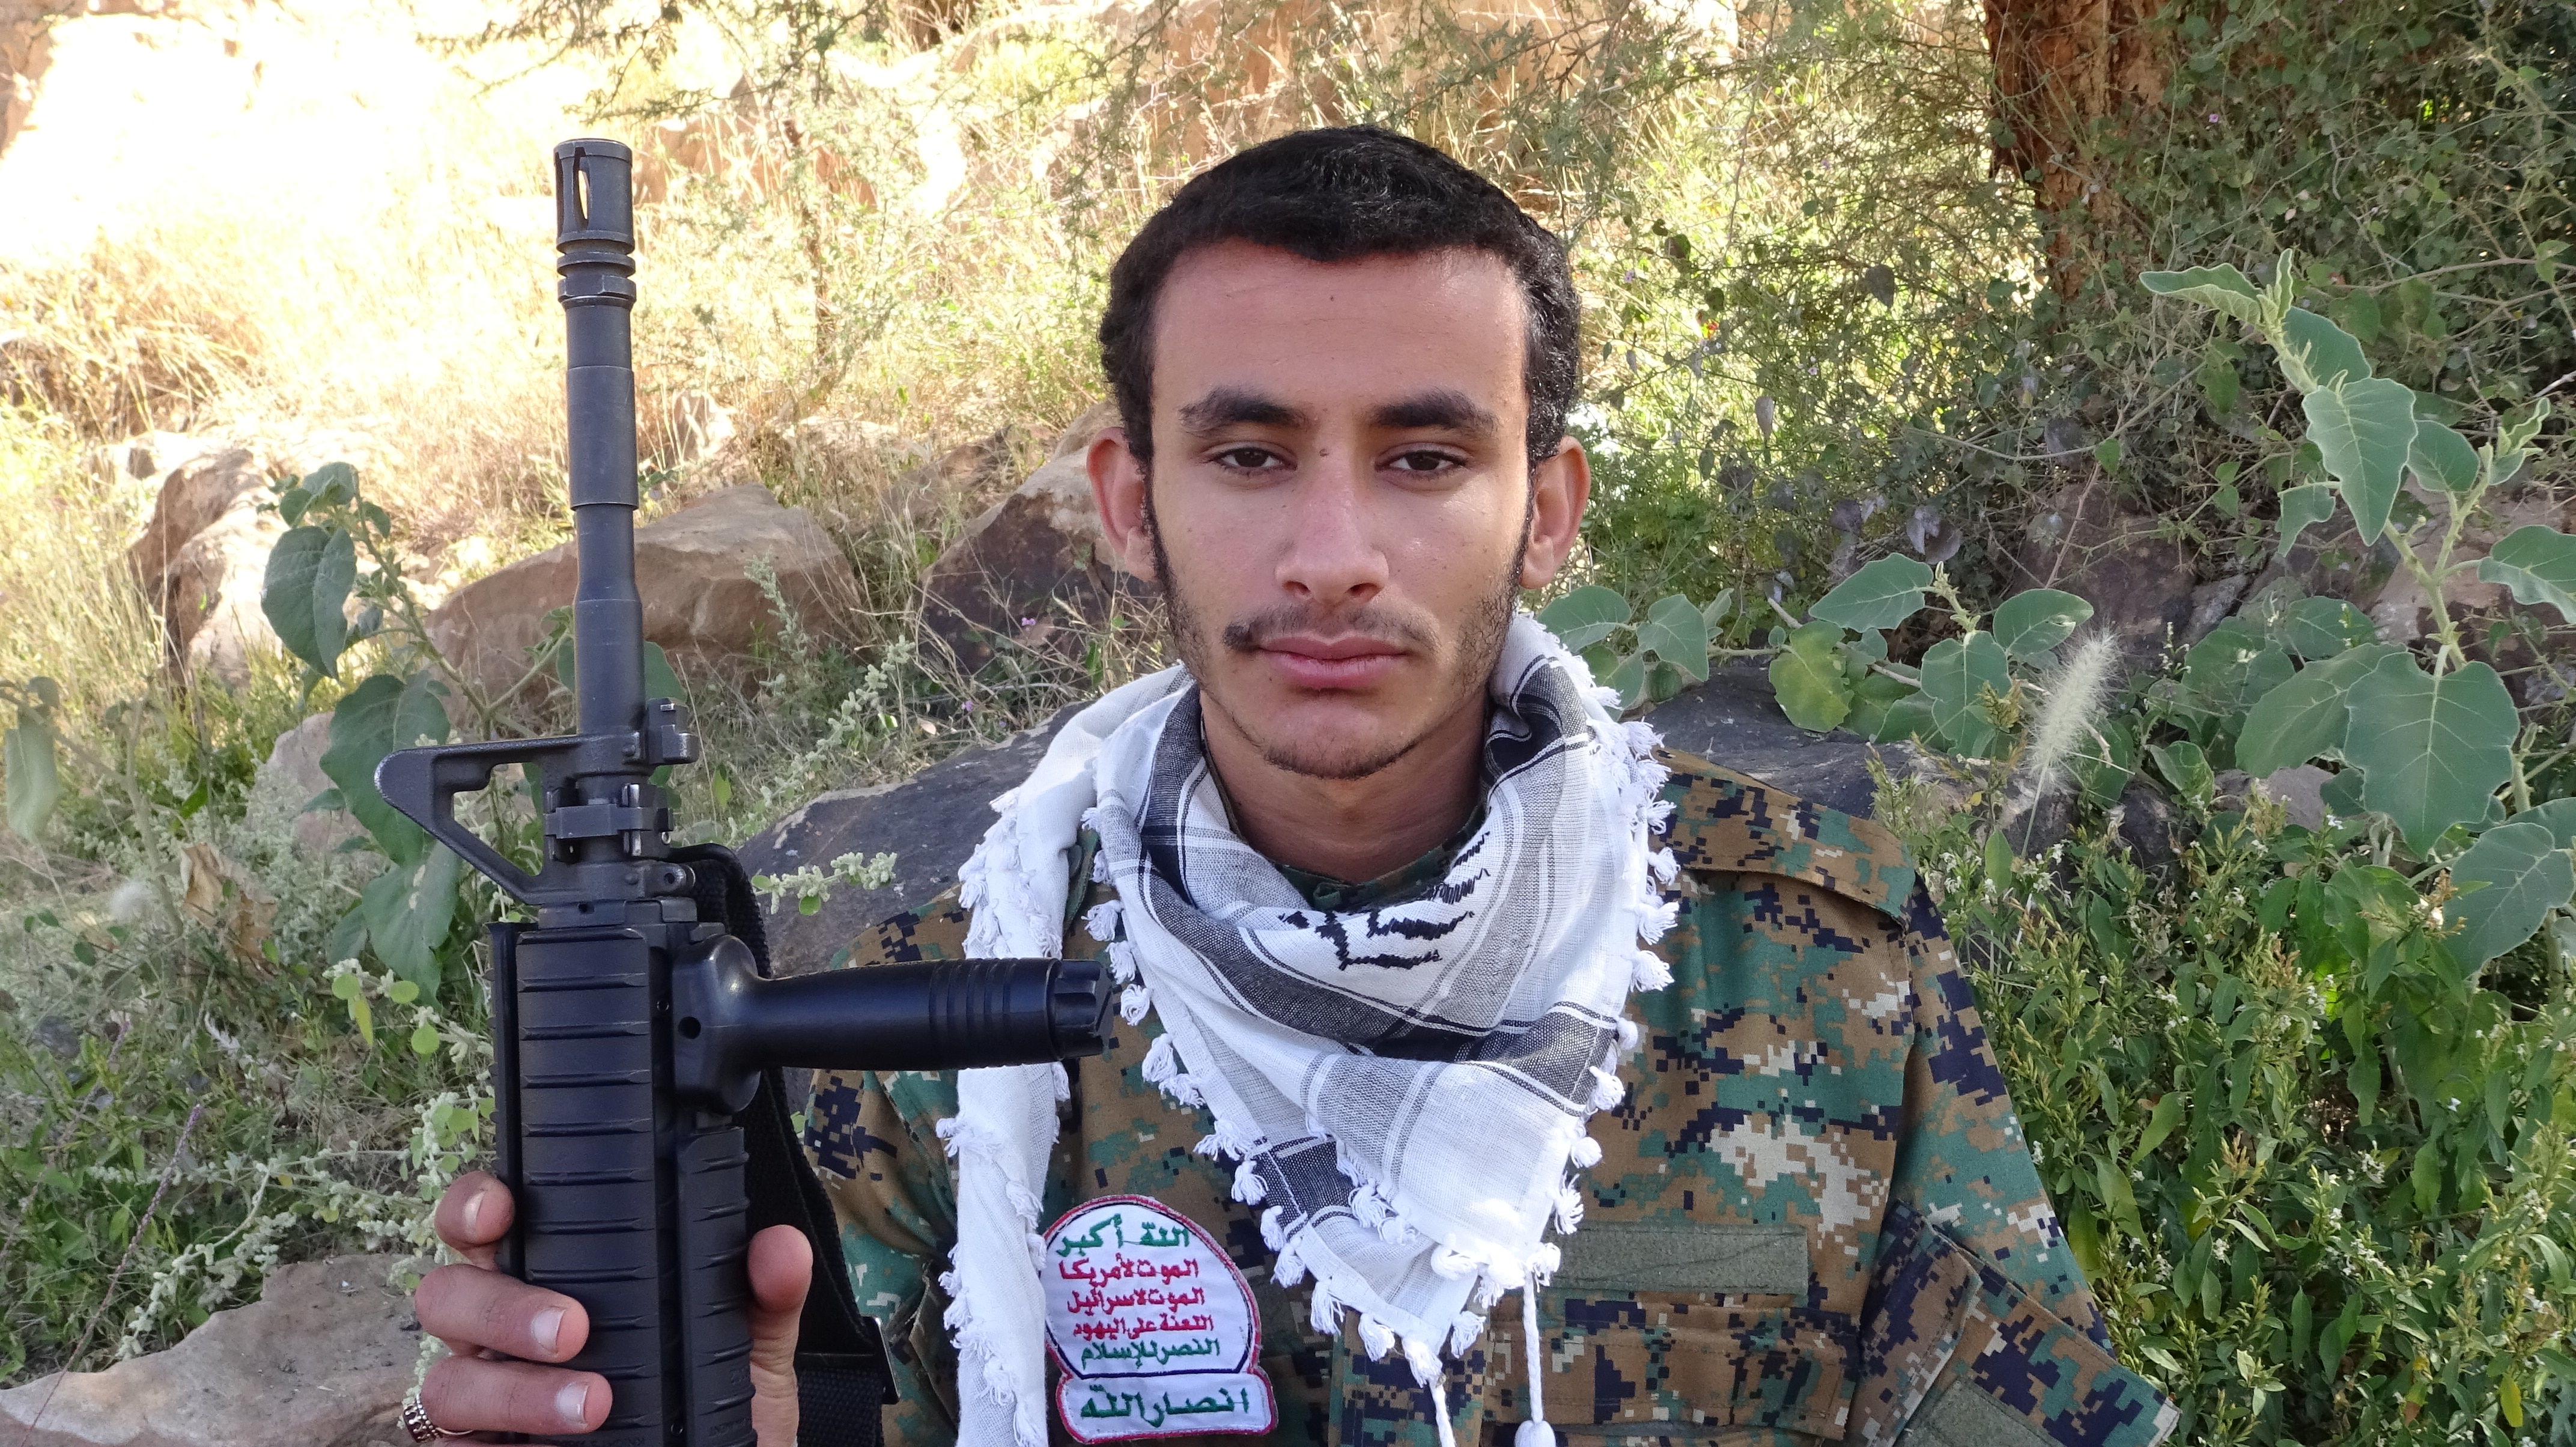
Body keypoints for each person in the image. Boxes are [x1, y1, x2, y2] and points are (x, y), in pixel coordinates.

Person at [409, 126, 2177, 1447]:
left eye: (1426, 457)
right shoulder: (934, 1041)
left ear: (1547, 512)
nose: (1334, 551)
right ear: (1130, 502)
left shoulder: (1824, 965)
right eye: (1250, 455)